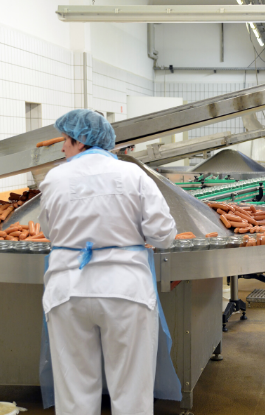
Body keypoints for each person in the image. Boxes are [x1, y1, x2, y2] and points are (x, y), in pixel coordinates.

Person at [38, 109, 178, 414]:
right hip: (125, 291)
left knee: (74, 392)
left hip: (67, 292)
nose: (62, 147)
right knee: (131, 391)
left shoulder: (55, 178)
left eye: (65, 140)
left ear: (80, 141)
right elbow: (163, 234)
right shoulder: (133, 174)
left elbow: (50, 231)